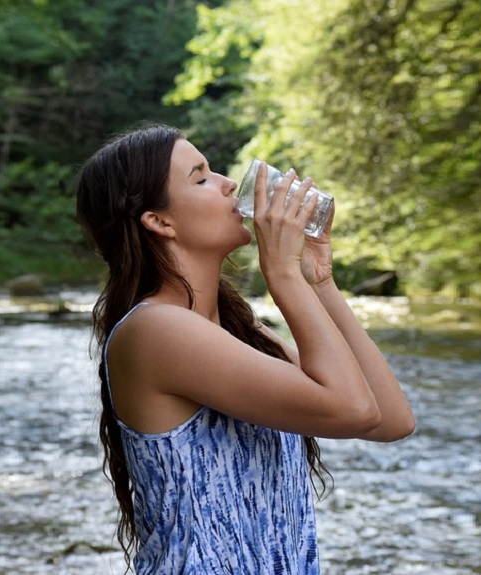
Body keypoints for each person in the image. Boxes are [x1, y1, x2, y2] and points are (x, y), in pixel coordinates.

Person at [75, 123, 415, 574]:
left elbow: (390, 419)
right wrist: (284, 275)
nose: (229, 184)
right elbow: (352, 409)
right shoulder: (156, 330)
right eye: (201, 178)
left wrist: (319, 281)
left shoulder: (239, 331)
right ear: (160, 222)